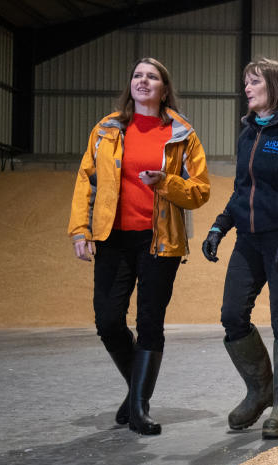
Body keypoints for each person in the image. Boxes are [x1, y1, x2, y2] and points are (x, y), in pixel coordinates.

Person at [69, 57, 211, 436]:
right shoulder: (107, 129)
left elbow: (199, 191)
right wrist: (79, 229)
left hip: (159, 240)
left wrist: (165, 181)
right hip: (112, 238)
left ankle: (138, 407)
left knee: (150, 322)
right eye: (137, 75)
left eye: (152, 77)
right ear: (130, 84)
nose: (143, 81)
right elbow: (87, 179)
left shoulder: (182, 133)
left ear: (165, 88)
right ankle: (137, 394)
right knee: (108, 321)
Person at [201, 58, 278, 439]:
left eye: (253, 82)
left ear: (274, 85)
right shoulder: (248, 133)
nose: (246, 89)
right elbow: (242, 191)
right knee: (232, 314)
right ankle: (260, 390)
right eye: (245, 83)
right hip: (249, 240)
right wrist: (220, 225)